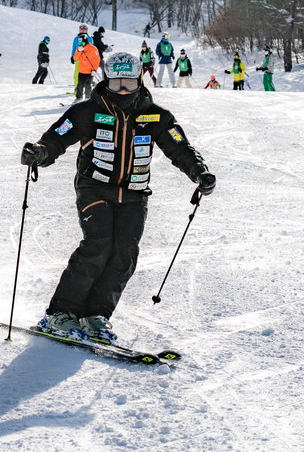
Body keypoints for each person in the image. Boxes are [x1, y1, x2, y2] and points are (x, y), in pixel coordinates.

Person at [19, 51, 216, 344]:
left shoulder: (157, 116)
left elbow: (179, 147)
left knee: (125, 253)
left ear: (139, 80)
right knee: (97, 246)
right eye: (115, 84)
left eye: (128, 83)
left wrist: (199, 172)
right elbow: (57, 138)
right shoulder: (86, 111)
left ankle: (96, 315)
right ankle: (60, 314)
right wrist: (40, 153)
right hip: (94, 188)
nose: (122, 89)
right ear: (106, 81)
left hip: (135, 194)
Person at [73, 35, 101, 99]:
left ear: (85, 40)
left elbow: (97, 60)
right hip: (81, 70)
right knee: (79, 85)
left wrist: (94, 69)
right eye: (79, 41)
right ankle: (78, 98)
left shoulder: (93, 49)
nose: (80, 43)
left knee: (88, 85)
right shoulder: (79, 48)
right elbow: (75, 58)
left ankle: (88, 98)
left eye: (81, 41)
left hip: (90, 71)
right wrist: (79, 51)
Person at [70, 24, 90, 90]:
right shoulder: (76, 38)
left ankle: (86, 88)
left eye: (84, 29)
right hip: (78, 58)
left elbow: (92, 48)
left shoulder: (89, 38)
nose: (82, 30)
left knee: (86, 74)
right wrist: (72, 56)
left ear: (86, 30)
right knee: (77, 73)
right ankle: (77, 87)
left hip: (87, 59)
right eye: (81, 29)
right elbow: (74, 48)